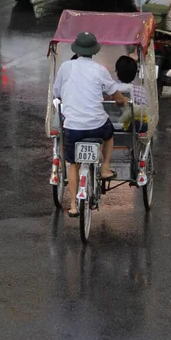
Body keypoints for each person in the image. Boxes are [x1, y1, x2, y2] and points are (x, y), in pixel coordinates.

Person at [52, 32, 127, 217]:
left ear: (76, 50)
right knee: (109, 134)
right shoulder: (99, 70)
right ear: (94, 51)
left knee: (72, 164)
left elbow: (56, 93)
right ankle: (105, 167)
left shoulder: (65, 67)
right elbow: (115, 94)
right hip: (96, 125)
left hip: (73, 127)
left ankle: (73, 205)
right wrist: (121, 100)